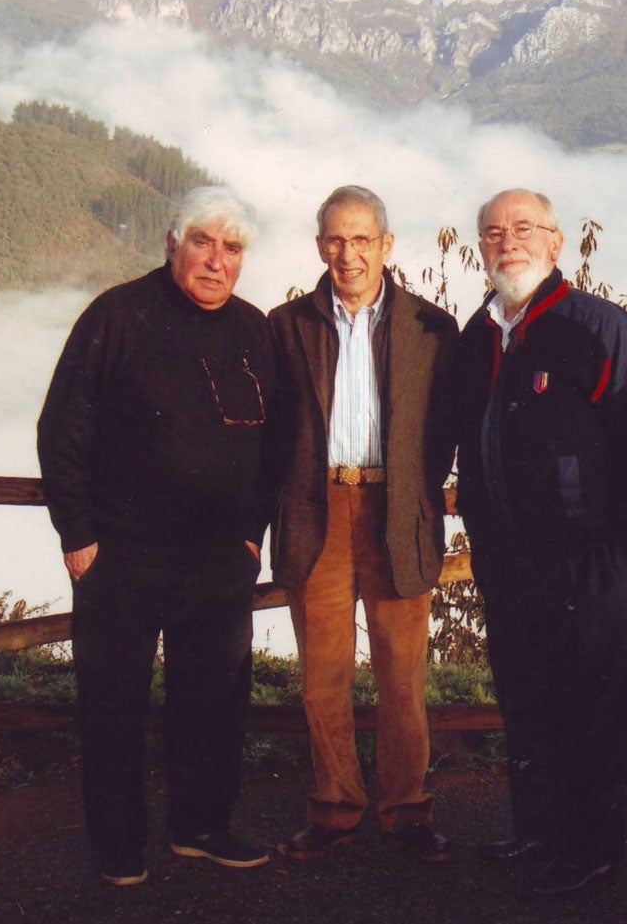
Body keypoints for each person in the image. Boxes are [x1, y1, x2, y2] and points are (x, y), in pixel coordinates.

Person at [37, 185, 275, 886]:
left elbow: (276, 443)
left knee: (213, 702)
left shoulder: (254, 329)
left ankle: (201, 826)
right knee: (113, 704)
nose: (215, 261)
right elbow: (63, 430)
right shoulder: (117, 316)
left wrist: (253, 535)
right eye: (202, 241)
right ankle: (117, 842)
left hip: (218, 559)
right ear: (172, 241)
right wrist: (77, 537)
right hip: (121, 554)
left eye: (231, 249)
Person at [452, 188, 627, 896]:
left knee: (594, 709)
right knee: (527, 698)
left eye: (522, 229)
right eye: (492, 233)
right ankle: (537, 833)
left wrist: (625, 547)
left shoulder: (594, 325)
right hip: (510, 563)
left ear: (555, 241)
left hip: (591, 561)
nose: (506, 242)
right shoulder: (477, 334)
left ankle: (592, 848)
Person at [267, 185, 458, 862]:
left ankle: (406, 813)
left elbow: (443, 432)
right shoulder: (286, 325)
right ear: (320, 244)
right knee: (322, 674)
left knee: (401, 675)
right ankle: (333, 808)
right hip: (315, 511)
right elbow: (269, 433)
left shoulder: (431, 327)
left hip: (395, 511)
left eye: (360, 239)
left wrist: (413, 492)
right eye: (334, 240)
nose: (347, 254)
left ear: (386, 245)